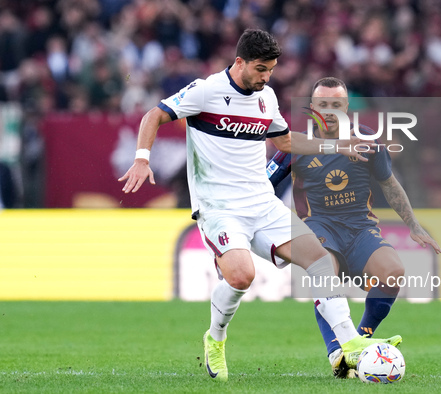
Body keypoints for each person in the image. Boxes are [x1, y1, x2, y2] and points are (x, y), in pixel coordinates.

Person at [118, 29, 399, 382]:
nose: (267, 77)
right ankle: (215, 339)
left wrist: (337, 147)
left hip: (262, 204)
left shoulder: (265, 97)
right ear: (240, 62)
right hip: (219, 207)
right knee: (241, 276)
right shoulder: (205, 90)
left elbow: (284, 139)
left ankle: (351, 344)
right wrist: (142, 159)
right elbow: (153, 116)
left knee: (320, 260)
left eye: (271, 70)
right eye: (261, 69)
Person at [267, 77, 441, 378]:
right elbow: (262, 187)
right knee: (325, 272)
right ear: (312, 109)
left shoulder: (369, 142)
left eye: (337, 105)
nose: (330, 111)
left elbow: (389, 184)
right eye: (323, 105)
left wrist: (412, 224)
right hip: (319, 225)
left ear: (347, 108)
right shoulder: (295, 145)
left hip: (360, 227)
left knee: (393, 274)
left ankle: (359, 340)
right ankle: (337, 353)